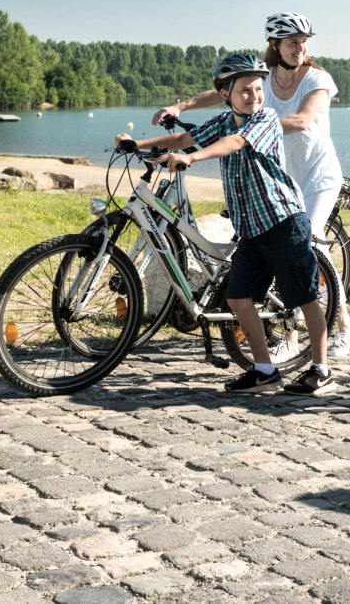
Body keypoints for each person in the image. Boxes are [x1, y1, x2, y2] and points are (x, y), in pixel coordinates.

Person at [123, 52, 334, 396]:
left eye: (257, 89)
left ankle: (321, 369)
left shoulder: (265, 119)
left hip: (283, 222)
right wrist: (138, 144)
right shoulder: (223, 121)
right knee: (237, 298)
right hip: (252, 229)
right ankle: (265, 371)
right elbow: (183, 139)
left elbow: (233, 144)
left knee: (305, 296)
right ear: (226, 95)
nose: (254, 97)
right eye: (245, 91)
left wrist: (190, 158)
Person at [158, 12, 350, 359]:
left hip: (318, 177)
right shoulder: (263, 80)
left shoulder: (318, 79)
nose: (301, 47)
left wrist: (248, 129)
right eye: (293, 42)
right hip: (282, 177)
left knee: (307, 246)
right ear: (275, 45)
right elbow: (228, 88)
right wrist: (181, 105)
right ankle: (313, 333)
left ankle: (329, 330)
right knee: (283, 254)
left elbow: (300, 120)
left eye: (304, 41)